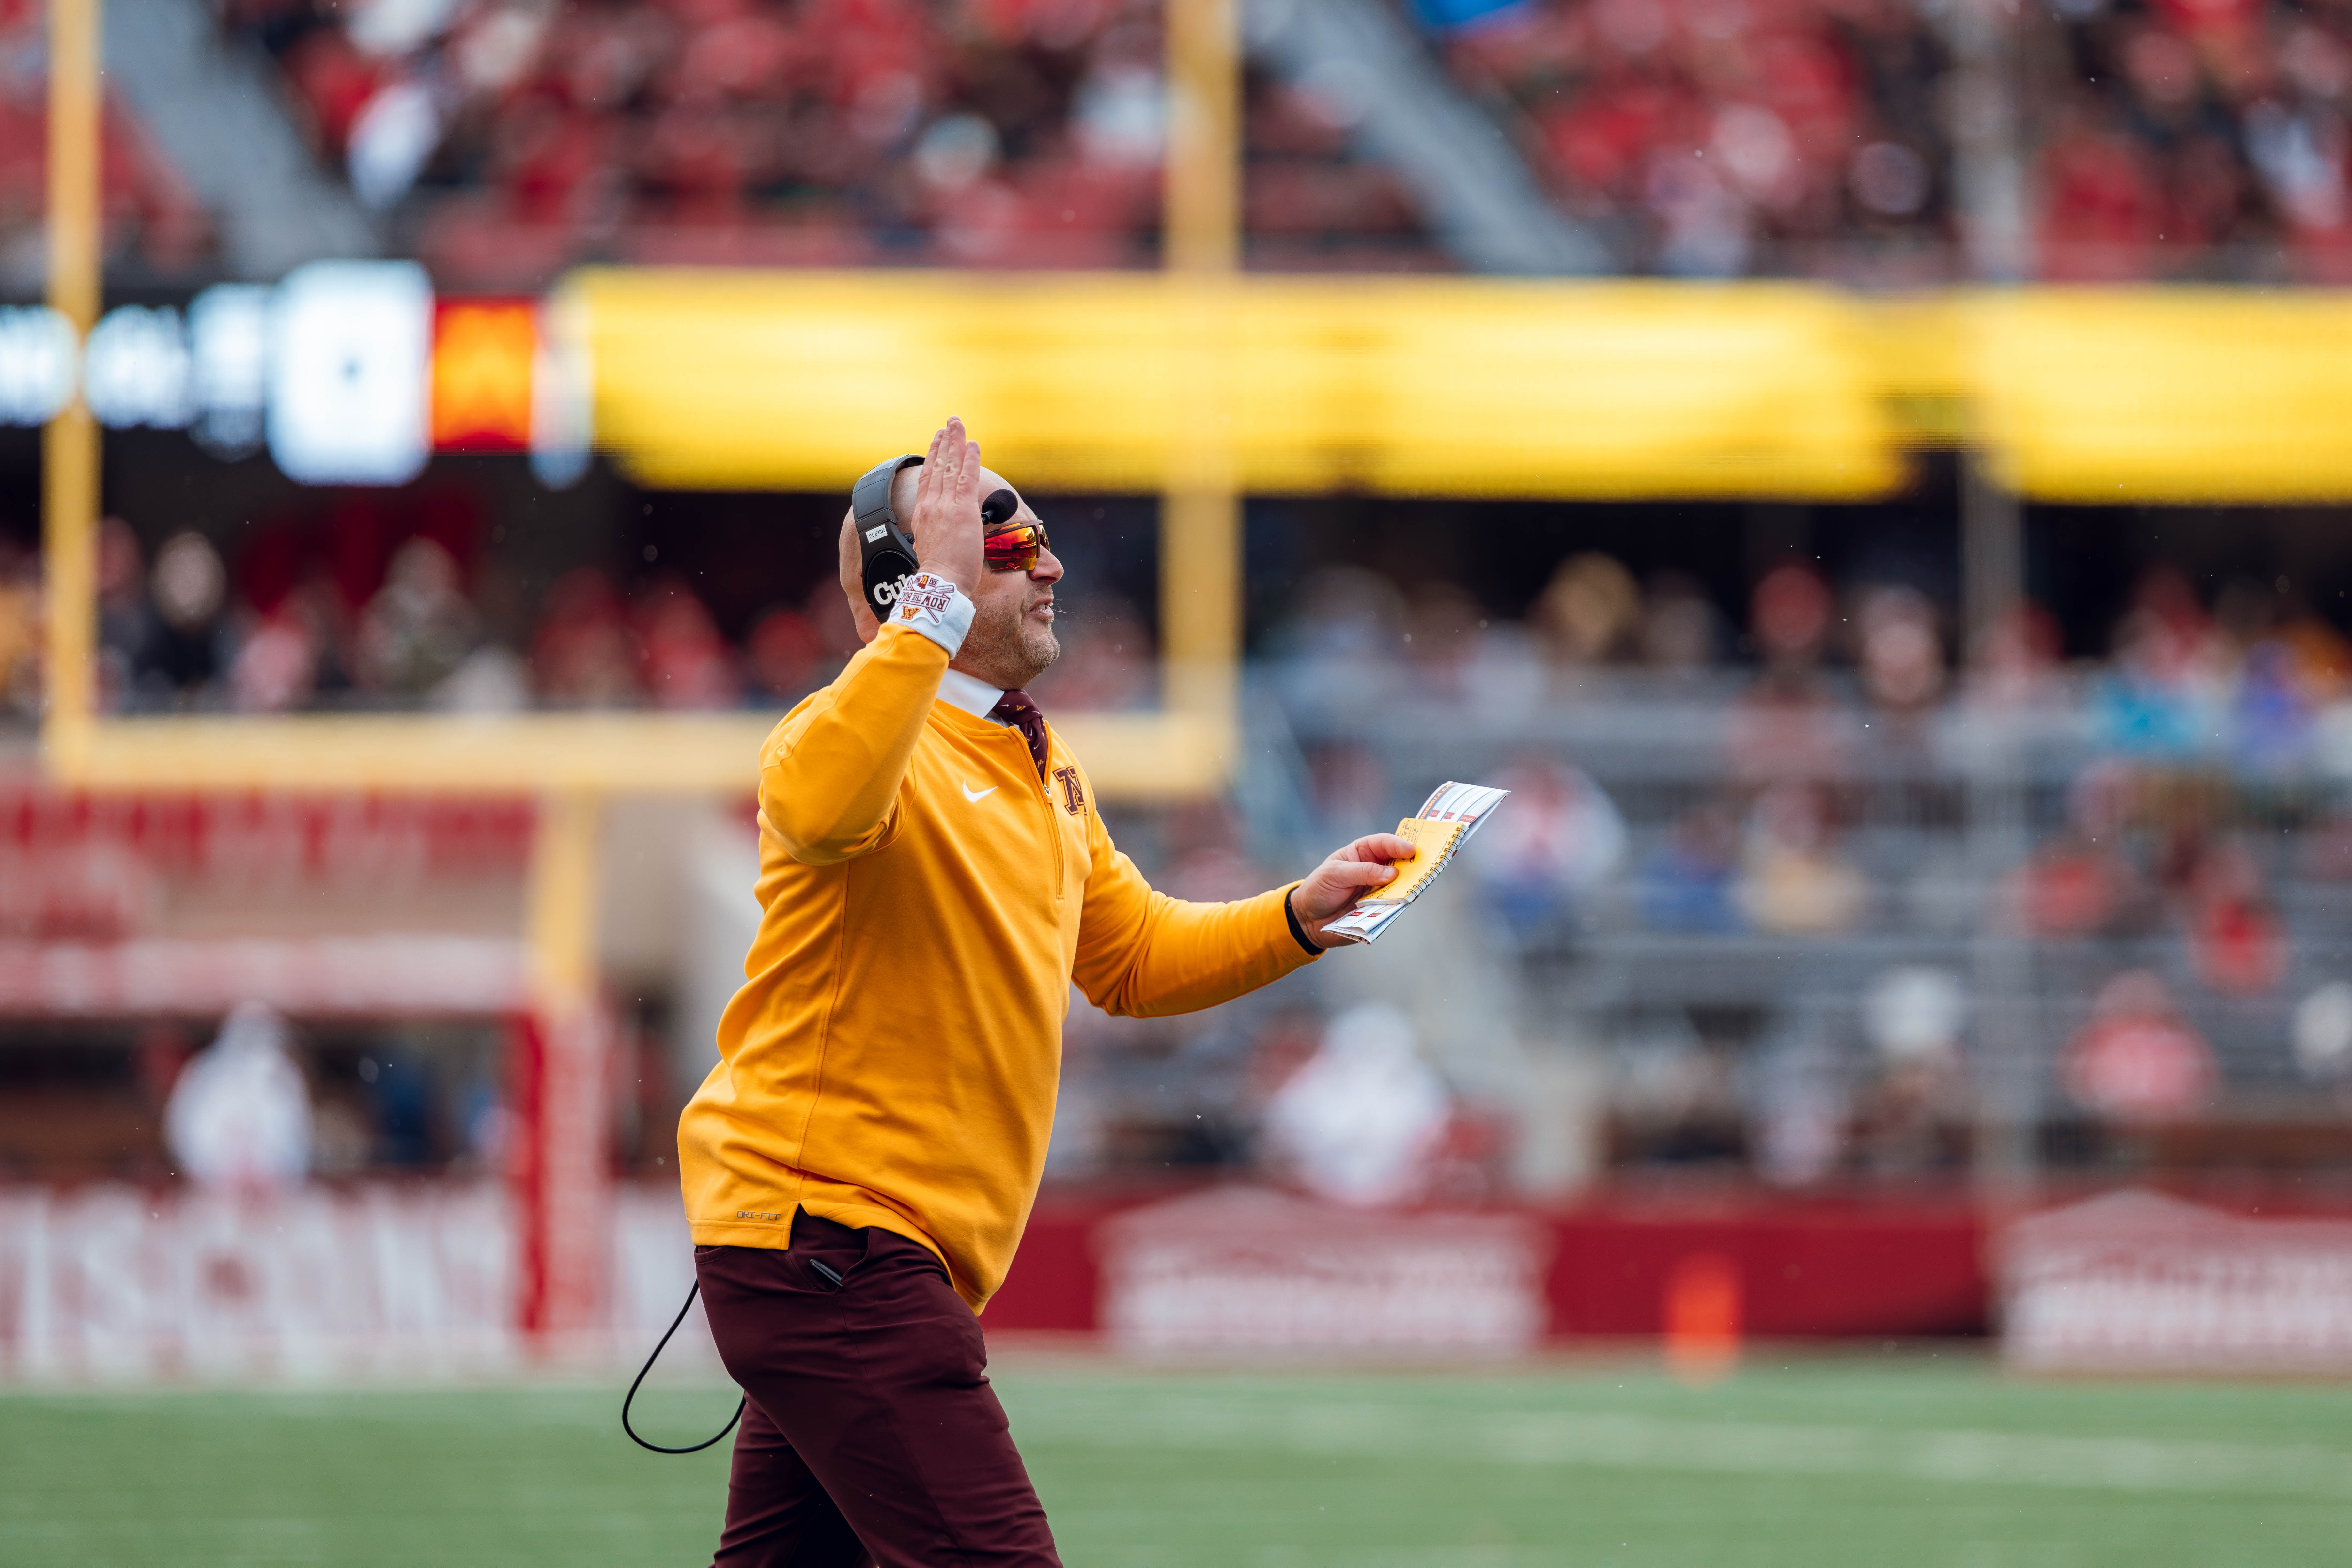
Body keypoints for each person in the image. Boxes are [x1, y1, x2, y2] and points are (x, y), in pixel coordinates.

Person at [676, 418, 1413, 1568]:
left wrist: (1296, 917)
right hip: (835, 1246)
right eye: (1008, 540)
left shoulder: (1033, 757)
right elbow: (820, 805)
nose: (1050, 563)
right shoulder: (846, 734)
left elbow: (1130, 959)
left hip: (857, 1257)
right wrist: (931, 604)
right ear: (920, 572)